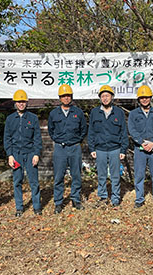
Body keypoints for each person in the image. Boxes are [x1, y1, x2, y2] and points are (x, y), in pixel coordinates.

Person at [48, 84, 87, 213]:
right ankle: (58, 202)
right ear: (60, 98)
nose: (66, 98)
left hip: (75, 147)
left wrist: (77, 141)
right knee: (59, 176)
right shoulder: (54, 113)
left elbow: (83, 129)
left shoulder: (78, 112)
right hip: (60, 148)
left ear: (71, 97)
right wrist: (59, 141)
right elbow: (51, 131)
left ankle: (76, 199)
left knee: (76, 175)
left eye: (68, 96)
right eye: (64, 96)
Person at [88, 85, 128, 207]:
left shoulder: (119, 113)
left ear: (112, 97)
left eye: (107, 96)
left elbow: (123, 132)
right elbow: (91, 131)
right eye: (103, 96)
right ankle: (103, 197)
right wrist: (92, 148)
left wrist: (123, 149)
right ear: (100, 98)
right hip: (99, 149)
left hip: (115, 149)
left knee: (115, 175)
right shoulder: (95, 112)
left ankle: (115, 199)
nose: (105, 98)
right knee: (101, 175)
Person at [4, 90, 43, 217]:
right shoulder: (10, 119)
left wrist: (37, 153)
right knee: (17, 181)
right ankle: (19, 208)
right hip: (16, 154)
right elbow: (7, 138)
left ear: (26, 103)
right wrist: (10, 155)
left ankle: (37, 207)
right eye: (19, 102)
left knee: (34, 181)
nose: (21, 104)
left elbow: (37, 137)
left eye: (23, 102)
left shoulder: (33, 118)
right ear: (15, 103)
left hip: (30, 153)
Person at [128, 85, 153, 208]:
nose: (144, 100)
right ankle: (139, 199)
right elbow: (132, 130)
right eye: (142, 98)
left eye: (147, 97)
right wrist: (141, 142)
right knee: (139, 175)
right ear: (138, 99)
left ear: (150, 98)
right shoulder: (133, 114)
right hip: (140, 149)